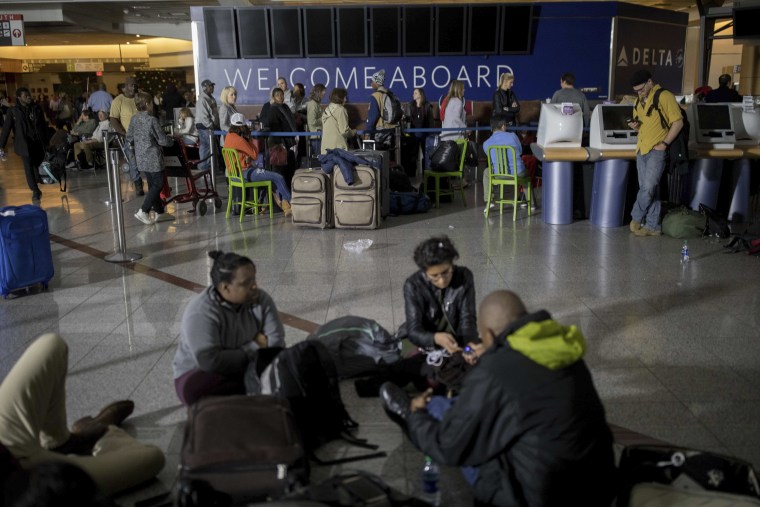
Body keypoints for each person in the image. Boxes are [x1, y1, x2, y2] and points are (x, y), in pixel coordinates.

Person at [379, 290, 617, 507]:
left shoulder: (495, 372)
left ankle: (410, 415)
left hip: (537, 497)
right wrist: (494, 355)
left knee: (439, 410)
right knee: (464, 408)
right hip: (599, 489)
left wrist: (416, 413)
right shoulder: (559, 345)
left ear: (489, 334)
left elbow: (449, 447)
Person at [0, 333, 165, 497]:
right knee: (153, 458)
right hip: (15, 477)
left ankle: (60, 442)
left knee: (52, 345)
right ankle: (105, 434)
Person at [172, 250, 286, 406]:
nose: (254, 286)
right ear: (225, 288)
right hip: (200, 372)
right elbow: (210, 361)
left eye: (254, 279)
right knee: (200, 391)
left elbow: (275, 344)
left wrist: (232, 355)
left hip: (248, 367)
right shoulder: (201, 311)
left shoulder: (261, 300)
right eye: (246, 283)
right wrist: (254, 346)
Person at [627, 69, 683, 237]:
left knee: (649, 187)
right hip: (641, 149)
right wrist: (636, 126)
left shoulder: (664, 96)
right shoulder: (639, 101)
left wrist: (664, 144)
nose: (639, 93)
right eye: (636, 91)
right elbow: (643, 124)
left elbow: (678, 122)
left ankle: (636, 217)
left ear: (650, 82)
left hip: (656, 150)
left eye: (641, 89)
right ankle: (652, 226)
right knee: (649, 189)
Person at [400, 236, 477, 354]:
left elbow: (467, 319)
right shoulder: (413, 285)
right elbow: (414, 330)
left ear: (452, 265)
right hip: (422, 337)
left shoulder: (464, 277)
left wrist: (468, 347)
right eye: (434, 276)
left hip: (454, 336)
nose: (442, 280)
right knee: (407, 361)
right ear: (425, 272)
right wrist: (434, 338)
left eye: (446, 272)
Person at [224, 112, 292, 216]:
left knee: (272, 180)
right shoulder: (239, 140)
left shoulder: (229, 136)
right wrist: (249, 139)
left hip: (235, 175)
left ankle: (286, 206)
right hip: (245, 173)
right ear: (242, 126)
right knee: (278, 177)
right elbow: (255, 154)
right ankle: (293, 202)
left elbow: (243, 155)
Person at [127, 92, 175, 226]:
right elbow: (162, 140)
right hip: (153, 157)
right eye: (151, 103)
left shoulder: (134, 119)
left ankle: (160, 212)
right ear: (147, 104)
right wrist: (172, 140)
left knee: (152, 184)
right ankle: (144, 210)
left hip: (141, 157)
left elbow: (129, 137)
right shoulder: (152, 120)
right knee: (158, 184)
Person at [0, 87, 49, 200]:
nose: (28, 97)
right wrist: (1, 146)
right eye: (25, 96)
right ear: (19, 97)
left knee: (36, 164)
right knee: (28, 167)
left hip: (37, 142)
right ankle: (35, 190)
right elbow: (6, 129)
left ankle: (36, 179)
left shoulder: (36, 108)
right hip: (24, 144)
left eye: (29, 95)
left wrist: (47, 142)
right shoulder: (13, 111)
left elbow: (43, 125)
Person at [482, 117, 529, 210]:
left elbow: (491, 158)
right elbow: (520, 151)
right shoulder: (513, 136)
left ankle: (489, 201)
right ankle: (528, 202)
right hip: (517, 173)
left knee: (486, 172)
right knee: (525, 174)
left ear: (492, 128)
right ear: (503, 126)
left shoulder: (486, 143)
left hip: (498, 174)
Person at [110, 76, 144, 196]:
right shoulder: (118, 100)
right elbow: (113, 119)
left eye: (135, 85)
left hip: (144, 134)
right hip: (129, 136)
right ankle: (138, 183)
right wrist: (122, 133)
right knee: (133, 161)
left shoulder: (140, 97)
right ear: (126, 87)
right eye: (131, 85)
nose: (133, 87)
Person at [267, 87, 298, 188]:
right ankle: (281, 193)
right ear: (273, 97)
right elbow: (272, 125)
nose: (280, 97)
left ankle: (289, 190)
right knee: (281, 169)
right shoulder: (272, 109)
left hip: (289, 141)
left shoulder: (285, 107)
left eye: (282, 95)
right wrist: (280, 142)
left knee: (290, 167)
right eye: (277, 95)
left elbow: (291, 122)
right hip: (280, 143)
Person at [366, 69, 398, 149]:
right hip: (392, 130)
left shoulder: (375, 96)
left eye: (372, 81)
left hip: (380, 131)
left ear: (377, 82)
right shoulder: (390, 94)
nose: (371, 83)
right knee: (389, 155)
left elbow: (373, 117)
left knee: (379, 156)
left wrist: (367, 132)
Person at [321, 88, 356, 155]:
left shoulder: (326, 109)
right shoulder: (341, 110)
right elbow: (344, 131)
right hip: (338, 149)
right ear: (340, 98)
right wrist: (353, 132)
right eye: (344, 97)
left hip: (325, 149)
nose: (346, 100)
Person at [195, 79, 220, 171]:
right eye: (210, 86)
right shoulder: (202, 99)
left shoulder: (210, 98)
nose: (212, 87)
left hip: (209, 126)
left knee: (210, 147)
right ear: (204, 88)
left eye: (212, 86)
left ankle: (209, 168)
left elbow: (214, 114)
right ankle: (204, 168)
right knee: (207, 147)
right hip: (205, 127)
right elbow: (203, 116)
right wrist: (211, 125)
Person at [306, 83, 326, 156]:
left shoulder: (316, 104)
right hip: (316, 136)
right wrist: (323, 118)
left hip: (319, 135)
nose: (324, 95)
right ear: (318, 92)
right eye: (323, 93)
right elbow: (312, 122)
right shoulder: (312, 104)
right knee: (318, 158)